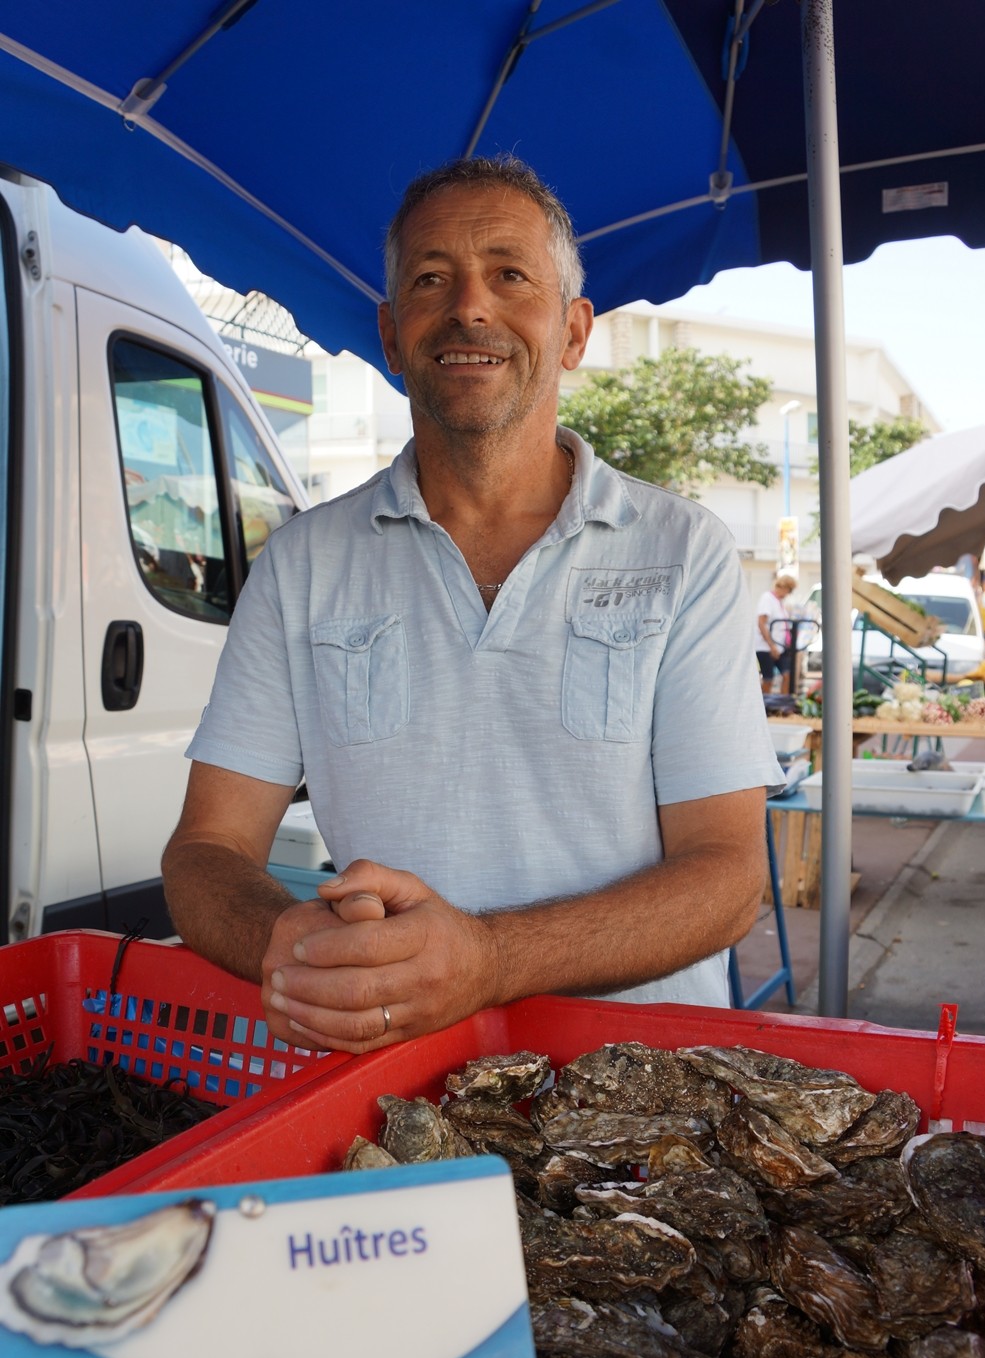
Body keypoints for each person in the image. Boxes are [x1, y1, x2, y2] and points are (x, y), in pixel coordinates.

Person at [161, 155, 782, 1054]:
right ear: (390, 333)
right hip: (387, 1079)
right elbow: (207, 849)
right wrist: (282, 938)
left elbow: (726, 879)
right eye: (430, 279)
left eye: (509, 274)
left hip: (650, 1096)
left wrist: (488, 959)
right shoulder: (303, 562)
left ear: (572, 332)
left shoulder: (680, 550)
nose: (470, 308)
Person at [755, 573, 796, 694]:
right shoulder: (767, 598)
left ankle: (783, 707)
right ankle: (764, 708)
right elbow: (761, 623)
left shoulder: (779, 602)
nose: (788, 594)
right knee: (768, 679)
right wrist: (771, 646)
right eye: (789, 591)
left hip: (780, 647)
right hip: (766, 647)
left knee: (786, 675)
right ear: (784, 588)